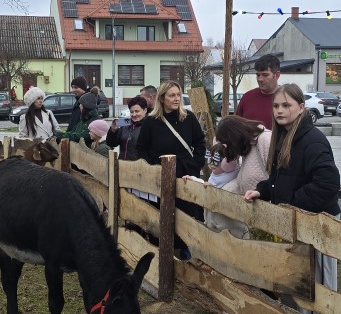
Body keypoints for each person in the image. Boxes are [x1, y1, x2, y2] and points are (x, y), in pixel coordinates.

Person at [243, 83, 340, 314]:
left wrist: (293, 203)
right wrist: (263, 191)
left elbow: (328, 183)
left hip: (319, 223)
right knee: (297, 279)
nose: (279, 110)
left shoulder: (313, 141)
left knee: (317, 285)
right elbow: (281, 179)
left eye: (286, 105)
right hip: (298, 221)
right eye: (276, 106)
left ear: (301, 107)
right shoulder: (284, 138)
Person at [136, 80, 207, 260]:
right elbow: (141, 149)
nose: (176, 99)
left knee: (188, 213)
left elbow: (200, 143)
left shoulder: (188, 118)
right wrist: (154, 167)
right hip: (161, 176)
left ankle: (187, 249)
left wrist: (195, 164)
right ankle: (162, 250)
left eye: (178, 95)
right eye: (172, 95)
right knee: (162, 213)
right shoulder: (151, 122)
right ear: (162, 98)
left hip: (186, 174)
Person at [200, 116, 271, 239]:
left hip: (264, 209)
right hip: (249, 209)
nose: (227, 147)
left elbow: (276, 175)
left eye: (227, 143)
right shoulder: (247, 145)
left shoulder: (264, 140)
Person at [236, 53, 281, 125]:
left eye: (265, 75)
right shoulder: (247, 97)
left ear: (277, 75)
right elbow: (236, 126)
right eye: (258, 75)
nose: (260, 79)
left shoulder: (287, 99)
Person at [106, 96, 148, 160]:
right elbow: (111, 144)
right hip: (122, 163)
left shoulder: (149, 125)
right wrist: (113, 131)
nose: (134, 114)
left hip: (140, 164)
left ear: (145, 110)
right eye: (131, 112)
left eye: (137, 111)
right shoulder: (124, 122)